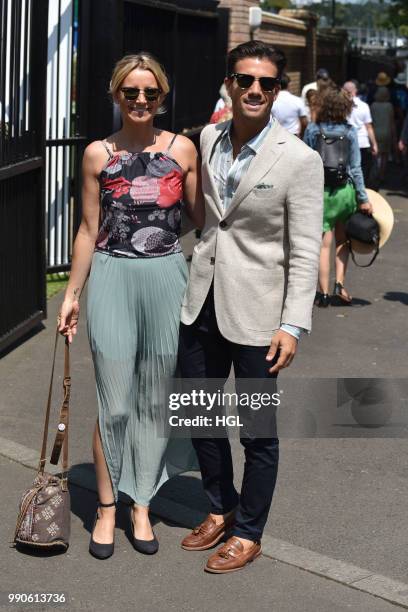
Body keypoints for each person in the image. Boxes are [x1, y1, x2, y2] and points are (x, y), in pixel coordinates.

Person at [178, 40, 323, 573]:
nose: (254, 90)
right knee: (198, 413)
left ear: (278, 90)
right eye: (245, 80)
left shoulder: (299, 158)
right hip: (202, 300)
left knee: (258, 431)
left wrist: (292, 324)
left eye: (266, 83)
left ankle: (249, 532)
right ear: (230, 84)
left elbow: (306, 248)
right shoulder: (208, 136)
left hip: (261, 313)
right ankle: (221, 506)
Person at [58, 52, 203, 560]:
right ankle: (105, 507)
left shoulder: (183, 149)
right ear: (115, 95)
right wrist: (73, 293)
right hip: (113, 276)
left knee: (152, 400)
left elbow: (200, 216)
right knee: (114, 400)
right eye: (131, 92)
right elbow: (88, 228)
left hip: (167, 277)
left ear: (163, 97)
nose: (140, 100)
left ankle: (141, 501)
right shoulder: (99, 153)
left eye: (151, 93)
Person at [303, 88, 373, 306]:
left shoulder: (313, 129)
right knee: (343, 241)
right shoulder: (350, 132)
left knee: (324, 245)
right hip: (345, 193)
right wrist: (363, 198)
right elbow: (356, 168)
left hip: (320, 192)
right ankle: (339, 284)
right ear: (345, 108)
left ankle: (322, 293)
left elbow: (304, 162)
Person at [343, 80, 378, 187]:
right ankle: (362, 191)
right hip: (362, 142)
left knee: (348, 169)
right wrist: (374, 144)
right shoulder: (364, 106)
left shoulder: (341, 106)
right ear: (355, 91)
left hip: (346, 142)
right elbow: (369, 127)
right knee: (362, 169)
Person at [370, 86, 396, 181]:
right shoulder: (389, 106)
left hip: (375, 132)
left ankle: (375, 173)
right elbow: (392, 122)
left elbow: (370, 121)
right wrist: (395, 136)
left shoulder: (373, 105)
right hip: (386, 132)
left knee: (376, 154)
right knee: (385, 155)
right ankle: (381, 174)